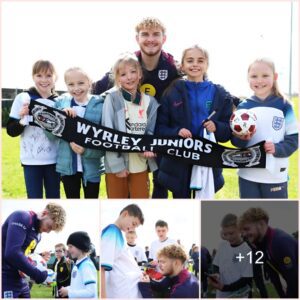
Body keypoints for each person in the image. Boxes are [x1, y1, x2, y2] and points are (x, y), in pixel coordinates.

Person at [93, 17, 180, 198]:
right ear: (137, 38)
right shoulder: (126, 63)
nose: (150, 39)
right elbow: (93, 90)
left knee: (158, 189)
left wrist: (232, 103)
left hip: (159, 137)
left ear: (164, 38)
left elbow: (197, 80)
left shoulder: (173, 66)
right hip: (127, 147)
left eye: (156, 34)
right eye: (145, 34)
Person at [155, 45, 234, 198]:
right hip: (178, 162)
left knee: (203, 207)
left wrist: (216, 127)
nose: (195, 64)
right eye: (190, 60)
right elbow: (160, 128)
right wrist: (176, 132)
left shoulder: (220, 93)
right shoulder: (172, 92)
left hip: (207, 160)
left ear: (207, 65)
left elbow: (227, 131)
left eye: (200, 60)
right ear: (182, 65)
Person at [232, 58, 298, 198]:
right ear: (248, 79)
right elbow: (236, 142)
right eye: (254, 76)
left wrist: (277, 148)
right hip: (248, 174)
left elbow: (294, 140)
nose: (259, 80)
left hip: (275, 175)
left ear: (275, 77)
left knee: (276, 214)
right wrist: (242, 139)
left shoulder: (285, 105)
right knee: (249, 215)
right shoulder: (243, 107)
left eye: (265, 75)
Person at [101, 53, 159, 198]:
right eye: (123, 74)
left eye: (133, 72)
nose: (129, 77)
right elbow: (107, 133)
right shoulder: (112, 99)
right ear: (117, 78)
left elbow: (150, 132)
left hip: (140, 164)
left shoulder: (150, 102)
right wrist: (116, 165)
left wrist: (148, 148)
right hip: (116, 166)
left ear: (140, 74)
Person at [6, 60, 60, 198]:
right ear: (33, 77)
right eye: (39, 75)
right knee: (34, 198)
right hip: (31, 161)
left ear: (55, 77)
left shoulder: (59, 102)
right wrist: (22, 120)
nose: (44, 80)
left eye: (48, 75)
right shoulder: (23, 97)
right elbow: (11, 131)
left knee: (54, 198)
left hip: (55, 161)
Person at [54, 67, 105, 198]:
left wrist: (85, 151)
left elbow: (104, 141)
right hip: (68, 169)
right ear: (66, 86)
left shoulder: (100, 105)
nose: (76, 88)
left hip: (92, 168)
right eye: (71, 84)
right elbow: (50, 134)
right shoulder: (60, 104)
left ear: (90, 82)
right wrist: (61, 116)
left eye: (81, 83)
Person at [2, 202, 66, 298]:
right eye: (49, 226)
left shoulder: (38, 235)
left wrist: (39, 258)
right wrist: (39, 275)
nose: (48, 232)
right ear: (44, 214)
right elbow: (12, 253)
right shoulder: (22, 217)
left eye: (51, 230)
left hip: (21, 281)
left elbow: (25, 255)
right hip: (5, 278)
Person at [239, 207, 298, 298]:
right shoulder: (261, 244)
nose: (243, 234)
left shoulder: (280, 242)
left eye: (246, 229)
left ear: (261, 224)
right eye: (242, 231)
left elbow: (294, 280)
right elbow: (273, 276)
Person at [101, 204, 144, 298]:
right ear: (125, 214)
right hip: (122, 292)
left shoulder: (118, 233)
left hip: (128, 290)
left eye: (135, 227)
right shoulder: (111, 231)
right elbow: (102, 268)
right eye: (133, 223)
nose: (132, 229)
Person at [209, 213, 253, 298]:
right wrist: (216, 274)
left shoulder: (247, 250)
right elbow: (216, 265)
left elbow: (246, 278)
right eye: (225, 234)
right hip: (221, 295)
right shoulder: (222, 245)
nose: (228, 237)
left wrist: (225, 288)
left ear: (240, 230)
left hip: (239, 296)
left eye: (231, 233)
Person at [58, 231, 97, 298]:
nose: (68, 250)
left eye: (71, 246)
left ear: (80, 246)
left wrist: (69, 292)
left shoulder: (86, 265)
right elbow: (77, 287)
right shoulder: (78, 264)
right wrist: (67, 289)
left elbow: (91, 292)